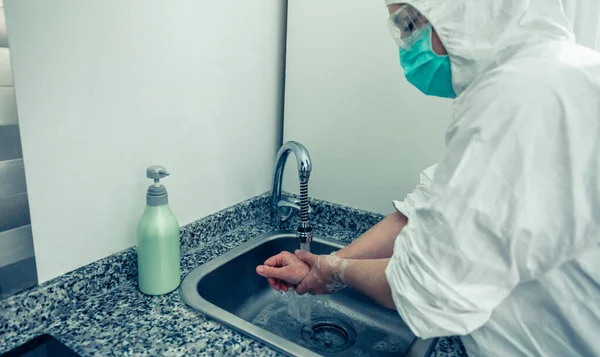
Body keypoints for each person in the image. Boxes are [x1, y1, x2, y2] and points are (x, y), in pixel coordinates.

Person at [256, 0, 600, 356]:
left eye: (408, 25)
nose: (407, 46)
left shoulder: (518, 99)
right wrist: (328, 264)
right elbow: (427, 211)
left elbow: (425, 288)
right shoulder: (556, 76)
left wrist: (335, 272)